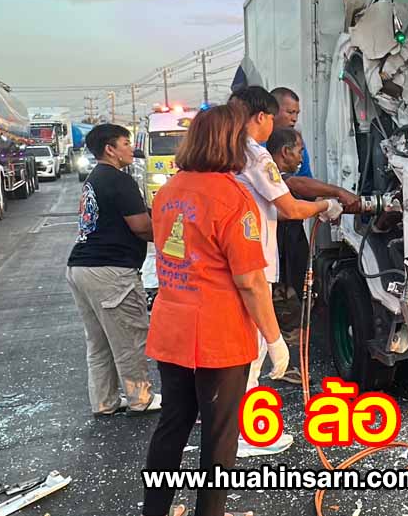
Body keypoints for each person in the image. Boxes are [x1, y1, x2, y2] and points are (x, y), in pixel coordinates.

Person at [142, 104, 287, 516]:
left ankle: (154, 510)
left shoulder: (169, 190)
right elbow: (251, 281)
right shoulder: (232, 197)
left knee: (172, 425)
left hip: (173, 327)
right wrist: (275, 339)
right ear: (230, 142)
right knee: (220, 438)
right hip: (219, 335)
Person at [230, 86, 342, 456]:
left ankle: (231, 426)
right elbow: (290, 207)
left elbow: (271, 208)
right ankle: (247, 435)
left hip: (235, 259)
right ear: (263, 117)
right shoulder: (256, 154)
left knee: (242, 350)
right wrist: (325, 205)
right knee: (253, 349)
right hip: (252, 262)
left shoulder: (228, 153)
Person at [66, 123, 160, 417]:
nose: (132, 149)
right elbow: (142, 226)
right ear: (110, 149)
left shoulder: (94, 178)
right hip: (110, 270)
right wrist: (174, 235)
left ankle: (104, 401)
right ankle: (140, 398)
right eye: (126, 143)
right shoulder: (120, 180)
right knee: (129, 338)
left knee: (99, 342)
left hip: (81, 267)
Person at [266, 128, 311, 384]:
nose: (301, 157)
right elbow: (295, 188)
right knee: (285, 305)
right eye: (299, 151)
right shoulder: (271, 174)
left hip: (286, 252)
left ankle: (285, 363)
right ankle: (286, 366)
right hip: (279, 258)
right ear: (285, 151)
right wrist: (332, 199)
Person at [270, 86, 360, 210]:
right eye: (290, 112)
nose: (294, 119)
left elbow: (306, 185)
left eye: (297, 113)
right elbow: (295, 183)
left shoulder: (297, 143)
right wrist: (338, 192)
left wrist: (328, 206)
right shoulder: (256, 145)